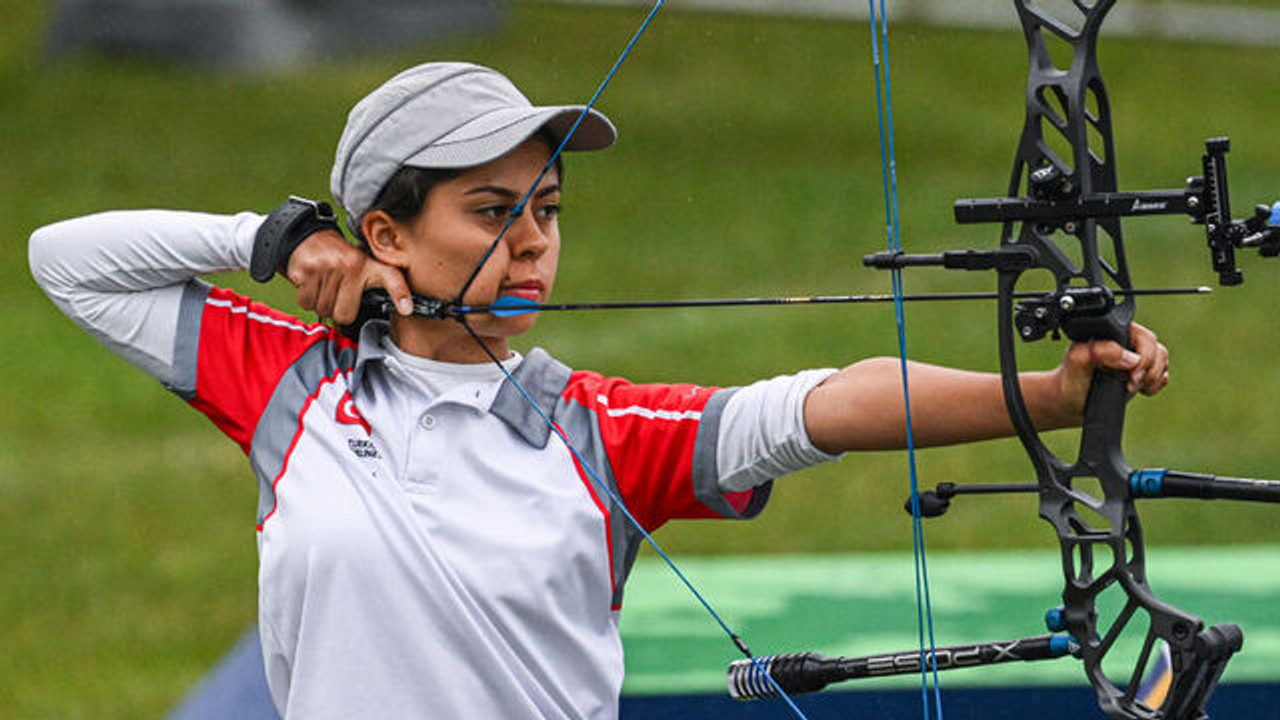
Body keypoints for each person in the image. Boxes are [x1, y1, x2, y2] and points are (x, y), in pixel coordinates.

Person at [28, 62, 1169, 720]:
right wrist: (268, 239)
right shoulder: (289, 381)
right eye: (490, 211)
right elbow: (62, 259)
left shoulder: (595, 430)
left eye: (549, 210)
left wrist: (1048, 394)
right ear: (383, 232)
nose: (531, 244)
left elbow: (824, 401)